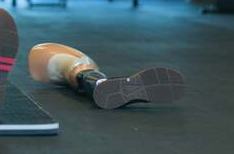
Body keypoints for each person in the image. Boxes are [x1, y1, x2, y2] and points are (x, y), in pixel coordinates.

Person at [28, 43, 186, 109]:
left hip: (49, 61)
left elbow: (39, 56)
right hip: (53, 62)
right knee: (80, 66)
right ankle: (98, 82)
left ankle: (97, 83)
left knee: (77, 68)